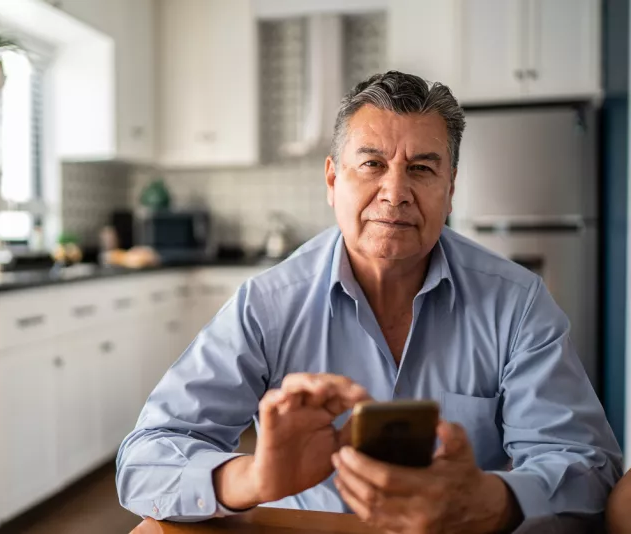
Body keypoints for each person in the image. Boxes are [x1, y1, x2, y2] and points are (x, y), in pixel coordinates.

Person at [116, 71, 622, 532]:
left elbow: (588, 467)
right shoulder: (266, 303)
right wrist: (255, 479)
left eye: (422, 169)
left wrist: (489, 499)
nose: (395, 192)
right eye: (372, 164)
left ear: (450, 190)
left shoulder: (517, 302)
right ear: (334, 180)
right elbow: (145, 458)